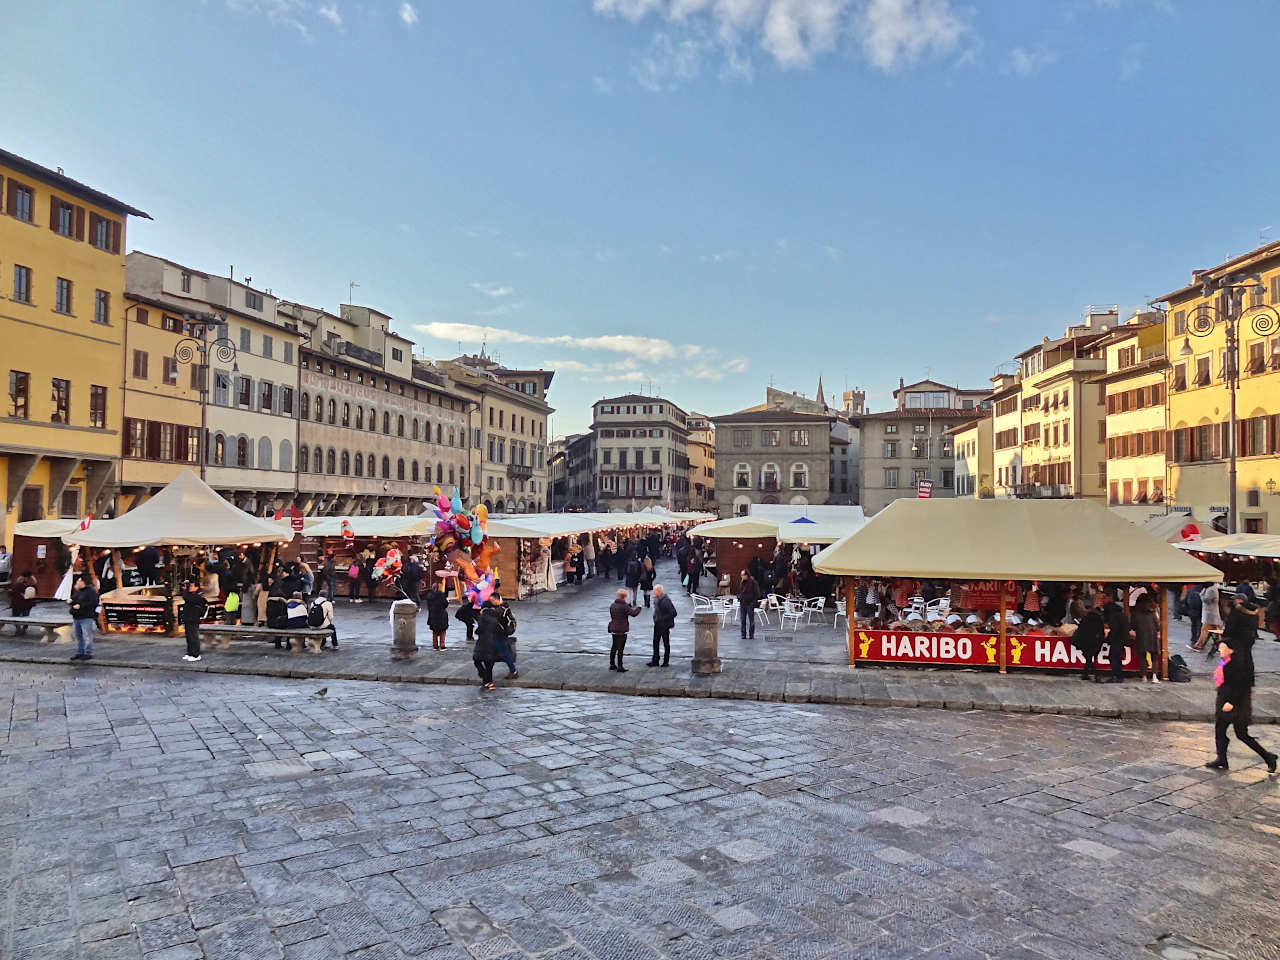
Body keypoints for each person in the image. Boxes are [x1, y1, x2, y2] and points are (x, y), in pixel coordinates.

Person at [1205, 613, 1277, 774]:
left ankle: (1268, 757)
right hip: (1225, 698)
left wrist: (1231, 702)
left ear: (1231, 650)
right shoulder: (1226, 661)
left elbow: (1241, 684)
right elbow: (1219, 678)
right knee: (1220, 730)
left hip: (1235, 703)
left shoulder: (1238, 664)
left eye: (1222, 648)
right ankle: (1221, 758)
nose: (1220, 650)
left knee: (1241, 734)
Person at [473, 602, 505, 691]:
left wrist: (476, 631)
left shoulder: (482, 618)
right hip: (493, 643)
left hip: (483, 642)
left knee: (477, 660)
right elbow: (500, 631)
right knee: (489, 664)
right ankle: (489, 682)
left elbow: (479, 630)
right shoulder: (495, 618)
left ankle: (484, 677)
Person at [608, 588, 641, 672]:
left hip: (613, 628)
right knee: (620, 647)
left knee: (614, 646)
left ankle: (612, 664)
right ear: (625, 596)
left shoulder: (613, 605)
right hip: (622, 629)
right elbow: (633, 614)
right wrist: (639, 608)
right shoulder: (624, 606)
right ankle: (620, 666)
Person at [1102, 588, 1131, 683]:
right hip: (1122, 638)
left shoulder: (1113, 616)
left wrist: (1108, 639)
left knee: (1113, 657)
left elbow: (1114, 629)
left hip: (1117, 639)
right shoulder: (1121, 614)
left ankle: (1116, 675)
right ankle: (1119, 675)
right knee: (1117, 657)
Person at [487, 592, 518, 678]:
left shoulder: (502, 609)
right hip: (498, 634)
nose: (491, 602)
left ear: (497, 599)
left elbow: (495, 616)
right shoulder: (501, 608)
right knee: (494, 653)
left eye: (492, 600)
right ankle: (487, 674)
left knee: (504, 653)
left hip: (500, 634)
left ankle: (513, 671)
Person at [1131, 594, 1161, 683]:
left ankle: (1144, 676)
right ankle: (1154, 676)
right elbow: (1157, 625)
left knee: (1142, 657)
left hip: (1141, 636)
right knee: (1154, 657)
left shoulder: (1135, 613)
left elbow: (1133, 626)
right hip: (1152, 636)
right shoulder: (1153, 612)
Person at [69, 574, 98, 662]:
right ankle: (80, 652)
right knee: (78, 635)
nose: (77, 582)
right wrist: (71, 602)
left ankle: (88, 652)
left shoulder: (90, 591)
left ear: (83, 582)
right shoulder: (78, 591)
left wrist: (81, 605)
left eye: (79, 581)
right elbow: (74, 600)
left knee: (87, 635)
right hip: (77, 616)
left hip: (86, 616)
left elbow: (93, 602)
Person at [1072, 605, 1106, 681]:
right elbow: (1101, 633)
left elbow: (1080, 630)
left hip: (1083, 641)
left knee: (1088, 658)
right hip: (1094, 642)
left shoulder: (1085, 619)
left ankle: (1086, 674)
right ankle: (1096, 674)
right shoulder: (1099, 620)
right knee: (1089, 658)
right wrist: (1100, 642)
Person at [179, 579, 208, 662]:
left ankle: (196, 654)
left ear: (197, 587)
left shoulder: (198, 596)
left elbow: (186, 597)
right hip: (188, 618)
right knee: (188, 636)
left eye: (192, 586)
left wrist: (185, 590)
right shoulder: (191, 594)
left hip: (193, 618)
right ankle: (190, 653)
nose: (190, 588)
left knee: (193, 637)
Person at [650, 584, 676, 667]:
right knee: (655, 642)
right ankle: (655, 660)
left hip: (664, 625)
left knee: (665, 642)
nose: (653, 592)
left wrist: (662, 618)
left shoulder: (665, 600)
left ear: (659, 591)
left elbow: (673, 613)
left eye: (655, 591)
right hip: (657, 624)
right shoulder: (657, 599)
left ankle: (666, 661)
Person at [1194, 581, 1222, 650]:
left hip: (1210, 614)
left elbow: (1206, 600)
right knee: (1216, 631)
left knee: (1204, 630)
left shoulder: (1211, 589)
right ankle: (1220, 645)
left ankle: (1199, 645)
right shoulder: (1211, 589)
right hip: (1211, 614)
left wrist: (1201, 594)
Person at [425, 580, 449, 650]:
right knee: (443, 631)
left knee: (434, 632)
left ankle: (435, 645)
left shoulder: (429, 596)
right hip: (442, 616)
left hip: (432, 616)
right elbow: (445, 605)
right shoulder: (441, 595)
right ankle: (442, 645)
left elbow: (428, 606)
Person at [738, 569, 762, 640]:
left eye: (743, 575)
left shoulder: (753, 582)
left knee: (751, 619)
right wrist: (739, 596)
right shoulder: (742, 582)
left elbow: (757, 593)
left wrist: (753, 601)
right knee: (743, 619)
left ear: (747, 575)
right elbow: (739, 591)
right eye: (741, 575)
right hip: (743, 603)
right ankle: (743, 634)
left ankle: (751, 635)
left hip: (750, 603)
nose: (741, 576)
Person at [1184, 584, 1203, 650]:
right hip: (1200, 611)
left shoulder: (1191, 590)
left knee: (1193, 625)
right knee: (1199, 626)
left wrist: (1188, 610)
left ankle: (1193, 639)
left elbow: (1185, 601)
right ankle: (1198, 640)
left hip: (1192, 611)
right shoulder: (1203, 590)